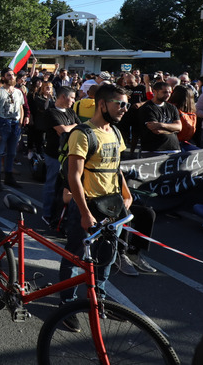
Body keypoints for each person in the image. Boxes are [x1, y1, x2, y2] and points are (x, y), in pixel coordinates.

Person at [58, 84, 133, 332]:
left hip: (113, 206)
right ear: (102, 104)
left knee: (107, 256)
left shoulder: (116, 133)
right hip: (88, 206)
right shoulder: (82, 134)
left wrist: (126, 195)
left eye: (126, 104)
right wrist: (84, 213)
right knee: (75, 255)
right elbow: (74, 176)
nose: (124, 109)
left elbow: (115, 167)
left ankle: (97, 298)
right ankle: (66, 303)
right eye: (119, 104)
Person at [42, 86, 80, 224]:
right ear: (63, 97)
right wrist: (72, 126)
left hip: (69, 155)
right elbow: (63, 131)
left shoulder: (70, 111)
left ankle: (60, 215)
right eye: (72, 97)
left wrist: (71, 127)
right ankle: (47, 214)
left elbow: (79, 127)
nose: (74, 101)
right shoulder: (51, 112)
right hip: (54, 154)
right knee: (51, 185)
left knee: (65, 186)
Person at [0, 68, 24, 190]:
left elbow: (21, 108)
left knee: (12, 152)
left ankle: (9, 177)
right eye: (8, 75)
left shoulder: (18, 92)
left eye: (12, 75)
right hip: (3, 123)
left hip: (15, 123)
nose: (11, 77)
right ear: (3, 77)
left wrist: (20, 123)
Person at [137, 81, 182, 156]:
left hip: (174, 149)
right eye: (164, 92)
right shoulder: (147, 108)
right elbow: (156, 130)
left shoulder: (172, 107)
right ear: (155, 91)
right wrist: (172, 129)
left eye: (170, 92)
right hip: (154, 150)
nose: (168, 95)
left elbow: (179, 127)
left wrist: (161, 125)